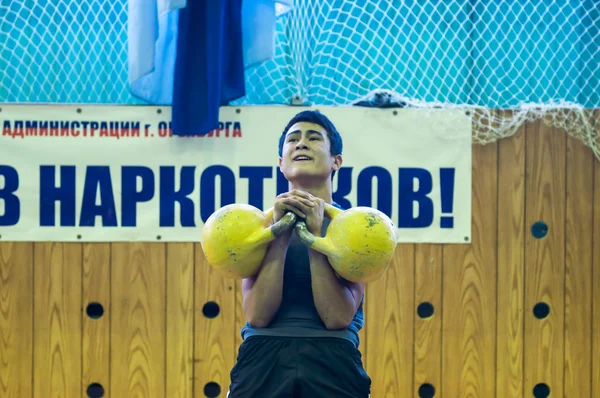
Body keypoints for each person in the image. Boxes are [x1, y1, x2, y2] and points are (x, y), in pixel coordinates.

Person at [227, 110, 372, 397]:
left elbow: (336, 318)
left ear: (336, 161)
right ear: (281, 163)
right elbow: (257, 315)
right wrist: (278, 235)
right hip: (262, 359)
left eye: (313, 138)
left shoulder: (359, 228)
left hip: (332, 359)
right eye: (293, 139)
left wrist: (315, 238)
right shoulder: (255, 227)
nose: (301, 143)